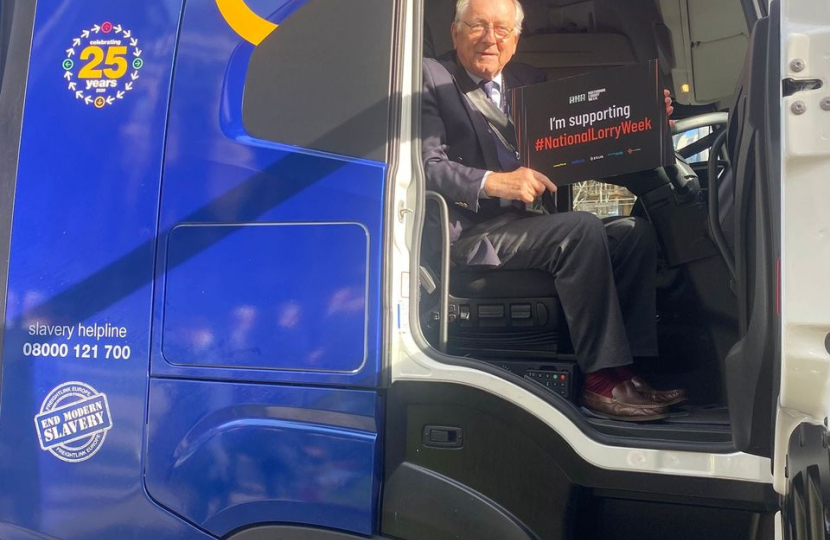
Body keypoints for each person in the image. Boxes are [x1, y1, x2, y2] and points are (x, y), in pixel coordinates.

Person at [422, 0, 686, 421]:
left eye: (502, 30)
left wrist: (648, 119)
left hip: (526, 226)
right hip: (470, 233)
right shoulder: (430, 77)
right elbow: (426, 167)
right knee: (580, 230)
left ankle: (627, 370)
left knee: (633, 233)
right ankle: (600, 383)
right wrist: (493, 181)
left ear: (516, 39)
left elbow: (581, 144)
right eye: (478, 26)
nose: (491, 38)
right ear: (456, 33)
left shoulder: (530, 82)